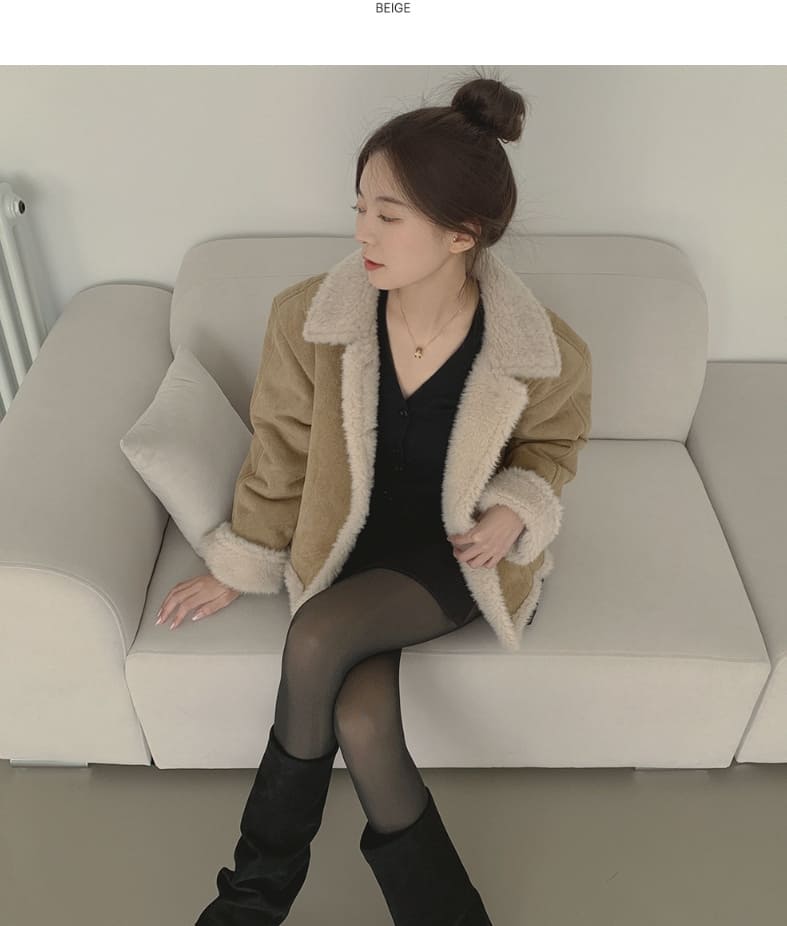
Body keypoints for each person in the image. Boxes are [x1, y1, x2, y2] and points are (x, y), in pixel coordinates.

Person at [157, 68, 592, 926]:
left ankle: (248, 902)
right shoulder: (308, 319)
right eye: (359, 206)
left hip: (451, 554)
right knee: (359, 717)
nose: (361, 231)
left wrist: (514, 510)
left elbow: (552, 450)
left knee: (317, 636)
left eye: (388, 216)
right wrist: (242, 561)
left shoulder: (541, 348)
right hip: (347, 542)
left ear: (462, 234)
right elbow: (281, 451)